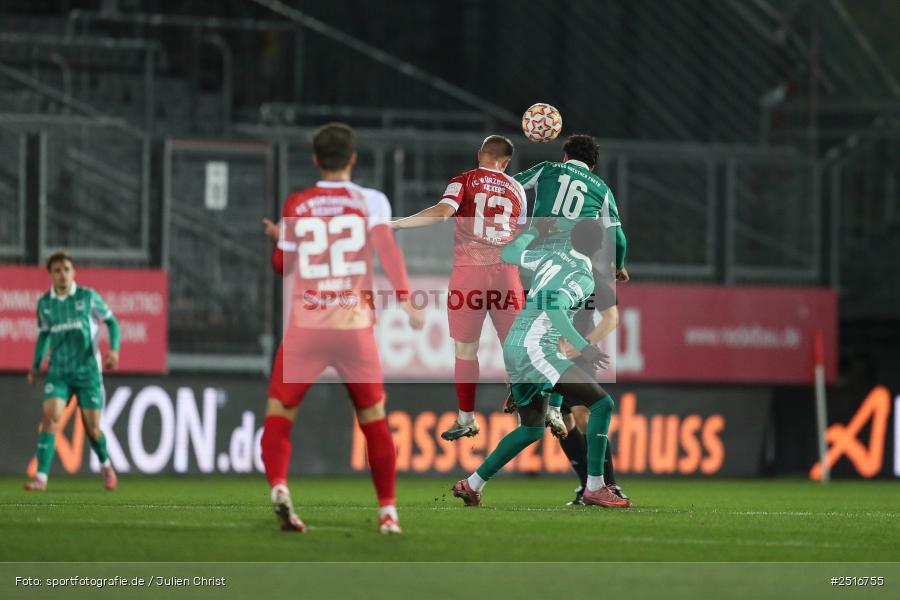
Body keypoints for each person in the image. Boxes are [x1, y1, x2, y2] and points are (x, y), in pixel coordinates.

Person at [260, 122, 423, 535]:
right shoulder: (371, 201)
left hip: (307, 327)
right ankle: (388, 513)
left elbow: (282, 266)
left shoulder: (298, 204)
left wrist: (281, 239)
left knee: (280, 415)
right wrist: (406, 300)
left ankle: (279, 486)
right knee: (374, 420)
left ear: (315, 159)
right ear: (353, 158)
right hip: (353, 326)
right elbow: (387, 251)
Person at [453, 219, 628, 509]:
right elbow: (555, 307)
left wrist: (535, 231)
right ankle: (596, 487)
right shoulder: (584, 276)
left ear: (572, 239)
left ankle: (471, 485)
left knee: (532, 429)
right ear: (599, 247)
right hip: (537, 348)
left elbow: (509, 254)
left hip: (515, 345)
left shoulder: (550, 256)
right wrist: (584, 347)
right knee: (602, 404)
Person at [391, 135, 527, 441]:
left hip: (470, 274)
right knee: (515, 347)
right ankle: (526, 410)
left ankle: (467, 418)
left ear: (480, 154)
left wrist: (397, 224)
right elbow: (520, 235)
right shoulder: (517, 188)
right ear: (506, 163)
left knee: (466, 350)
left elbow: (442, 213)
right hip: (506, 274)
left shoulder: (463, 181)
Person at [24, 251, 120, 492]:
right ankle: (41, 478)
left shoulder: (87, 297)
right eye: (57, 270)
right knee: (50, 418)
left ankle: (106, 465)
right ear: (50, 275)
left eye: (66, 269)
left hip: (88, 373)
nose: (63, 274)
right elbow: (44, 336)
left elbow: (112, 322)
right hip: (59, 373)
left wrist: (114, 350)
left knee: (92, 430)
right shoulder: (45, 304)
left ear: (74, 272)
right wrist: (35, 366)